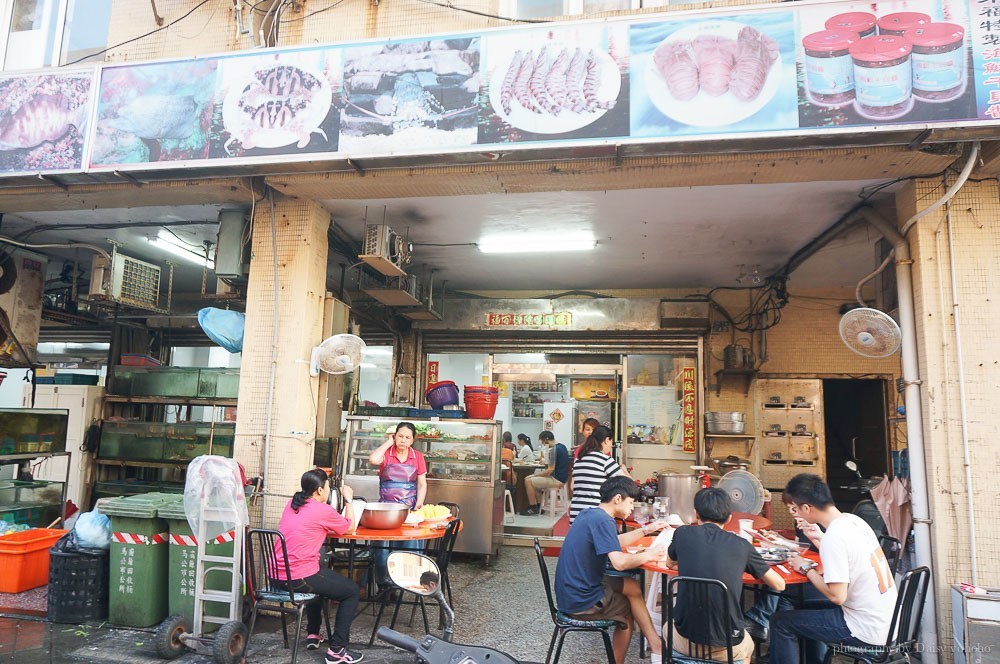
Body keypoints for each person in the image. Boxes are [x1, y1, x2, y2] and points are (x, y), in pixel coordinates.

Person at [770, 474, 898, 664]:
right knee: (803, 608)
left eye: (795, 509)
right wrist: (818, 537)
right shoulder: (853, 521)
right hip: (887, 623)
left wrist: (806, 568)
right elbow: (847, 558)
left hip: (865, 630)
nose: (796, 514)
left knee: (780, 621)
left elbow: (837, 596)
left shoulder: (835, 536)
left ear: (807, 508)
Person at [555, 476, 670, 664]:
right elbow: (620, 563)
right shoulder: (603, 521)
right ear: (618, 499)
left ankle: (655, 644)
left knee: (632, 586)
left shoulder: (591, 514)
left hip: (571, 590)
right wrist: (651, 555)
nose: (632, 508)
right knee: (626, 612)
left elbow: (613, 542)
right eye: (631, 502)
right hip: (581, 599)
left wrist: (647, 530)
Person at [665, 487, 785, 663]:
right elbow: (779, 585)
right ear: (729, 517)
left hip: (684, 640)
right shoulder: (742, 545)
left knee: (666, 627)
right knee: (748, 647)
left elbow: (669, 563)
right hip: (727, 645)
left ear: (696, 514)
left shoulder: (682, 533)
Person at [275, 469, 364, 664]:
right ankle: (338, 651)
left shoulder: (291, 504)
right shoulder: (321, 510)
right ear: (319, 490)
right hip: (299, 579)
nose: (328, 490)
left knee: (322, 578)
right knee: (351, 591)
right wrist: (348, 500)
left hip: (277, 577)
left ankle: (313, 634)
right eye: (327, 487)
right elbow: (350, 527)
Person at [368, 422, 427, 583]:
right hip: (385, 511)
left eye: (407, 437)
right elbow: (373, 459)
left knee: (406, 551)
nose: (403, 440)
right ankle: (383, 585)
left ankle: (404, 584)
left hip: (408, 512)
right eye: (400, 436)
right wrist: (388, 441)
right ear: (395, 436)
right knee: (382, 552)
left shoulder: (418, 457)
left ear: (412, 440)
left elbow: (422, 483)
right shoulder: (387, 454)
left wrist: (419, 503)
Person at [569, 425, 630, 523]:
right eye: (611, 442)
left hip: (576, 515)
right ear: (606, 440)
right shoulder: (605, 460)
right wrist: (624, 470)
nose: (611, 446)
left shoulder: (578, 460)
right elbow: (628, 484)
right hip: (596, 515)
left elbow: (572, 487)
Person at [519, 430, 567, 516]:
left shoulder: (553, 450)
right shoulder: (562, 446)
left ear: (546, 439)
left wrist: (534, 475)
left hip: (556, 480)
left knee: (528, 480)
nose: (544, 444)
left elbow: (550, 470)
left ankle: (533, 507)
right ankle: (539, 505)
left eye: (543, 442)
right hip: (562, 478)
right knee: (535, 484)